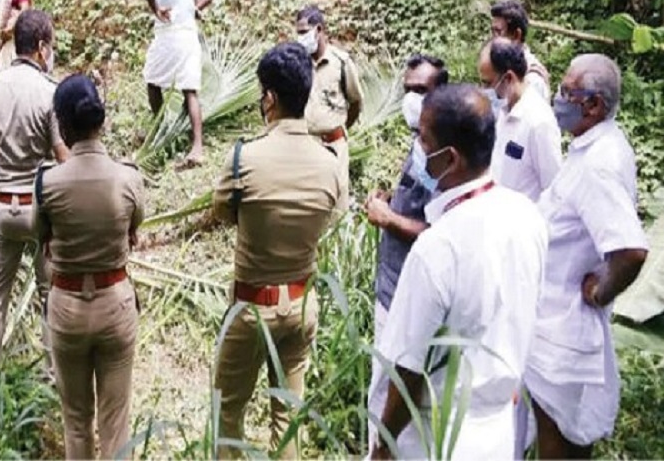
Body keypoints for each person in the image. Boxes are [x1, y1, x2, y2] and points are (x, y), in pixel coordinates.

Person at [371, 84, 548, 460]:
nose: (417, 146)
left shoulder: (438, 247)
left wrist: (383, 446)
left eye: (422, 137)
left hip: (435, 436)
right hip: (500, 429)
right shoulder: (527, 216)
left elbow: (408, 371)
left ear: (450, 158)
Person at [212, 42, 342, 459]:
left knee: (228, 411)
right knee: (288, 416)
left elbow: (224, 214)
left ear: (268, 98)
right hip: (303, 304)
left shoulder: (243, 160)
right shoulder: (329, 163)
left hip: (251, 308)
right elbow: (332, 214)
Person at [525, 54, 649, 459]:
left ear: (593, 105)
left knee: (558, 441)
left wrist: (600, 291)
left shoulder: (598, 165)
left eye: (566, 92)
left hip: (563, 330)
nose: (559, 99)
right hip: (552, 323)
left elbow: (630, 250)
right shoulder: (592, 147)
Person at [34, 74, 144, 460]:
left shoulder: (47, 184)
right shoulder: (129, 178)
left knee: (76, 419)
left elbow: (41, 235)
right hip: (115, 303)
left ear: (62, 126)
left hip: (66, 306)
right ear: (102, 120)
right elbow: (134, 229)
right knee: (116, 420)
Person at [0, 9, 69, 390]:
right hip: (40, 211)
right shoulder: (50, 92)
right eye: (53, 45)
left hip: (3, 208)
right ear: (42, 47)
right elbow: (62, 158)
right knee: (51, 294)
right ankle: (51, 378)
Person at [362, 53, 448, 455]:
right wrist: (391, 200)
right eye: (408, 89)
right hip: (391, 287)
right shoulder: (420, 141)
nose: (412, 98)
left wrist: (388, 219)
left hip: (411, 297)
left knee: (394, 396)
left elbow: (443, 232)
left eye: (421, 91)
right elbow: (416, 201)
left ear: (441, 94)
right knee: (381, 386)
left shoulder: (447, 156)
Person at [141, 0, 215, 166]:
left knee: (152, 80)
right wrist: (196, 8)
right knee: (190, 89)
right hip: (189, 34)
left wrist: (156, 9)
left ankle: (161, 130)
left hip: (168, 33)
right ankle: (197, 147)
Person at [295, 5, 363, 207]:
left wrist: (338, 128)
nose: (300, 38)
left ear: (320, 30)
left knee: (337, 204)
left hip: (334, 146)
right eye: (298, 33)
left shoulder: (341, 63)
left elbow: (356, 102)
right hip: (305, 145)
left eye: (304, 32)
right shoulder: (298, 63)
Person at [479, 37, 561, 202]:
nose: (484, 90)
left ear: (508, 78)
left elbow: (554, 189)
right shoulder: (502, 110)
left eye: (487, 83)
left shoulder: (539, 122)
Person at [490, 0, 551, 100]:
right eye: (492, 32)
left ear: (517, 35)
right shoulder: (502, 64)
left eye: (498, 32)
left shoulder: (532, 77)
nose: (492, 39)